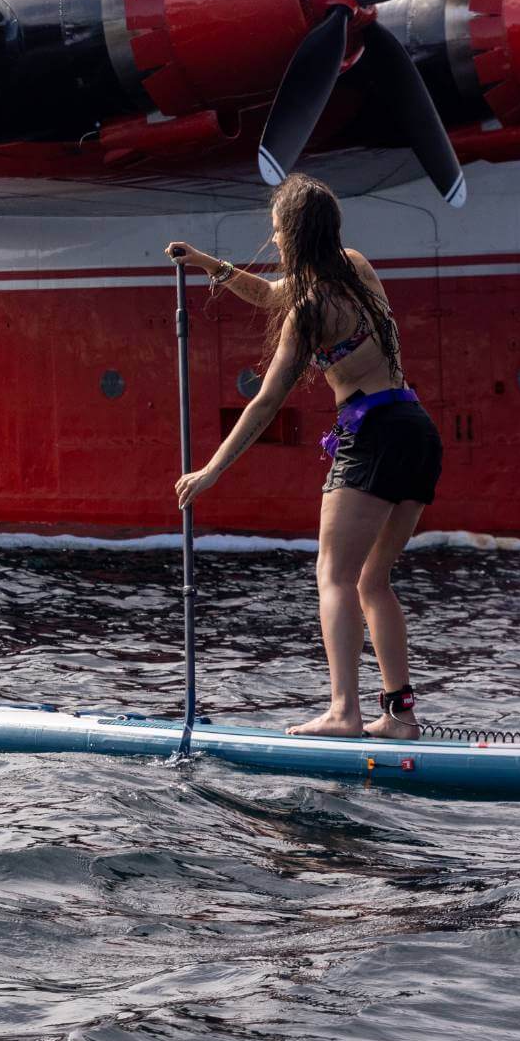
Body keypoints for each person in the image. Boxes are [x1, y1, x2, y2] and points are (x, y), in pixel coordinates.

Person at [165, 173, 442, 740]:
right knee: (373, 580)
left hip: (373, 433)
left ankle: (344, 710)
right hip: (416, 427)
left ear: (290, 235)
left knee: (334, 575)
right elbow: (269, 293)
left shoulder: (310, 313)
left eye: (274, 229)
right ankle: (400, 715)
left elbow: (267, 403)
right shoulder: (356, 266)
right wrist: (205, 263)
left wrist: (211, 470)